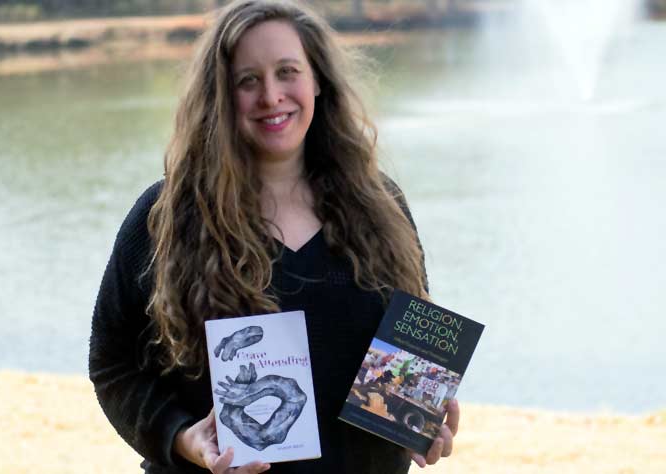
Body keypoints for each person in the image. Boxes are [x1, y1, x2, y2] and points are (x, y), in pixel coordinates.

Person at [89, 1, 459, 473]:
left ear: (318, 80)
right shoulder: (165, 217)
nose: (271, 96)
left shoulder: (381, 207)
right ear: (221, 95)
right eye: (248, 80)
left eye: (287, 72)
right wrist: (181, 436)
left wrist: (421, 418)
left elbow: (408, 353)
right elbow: (112, 363)